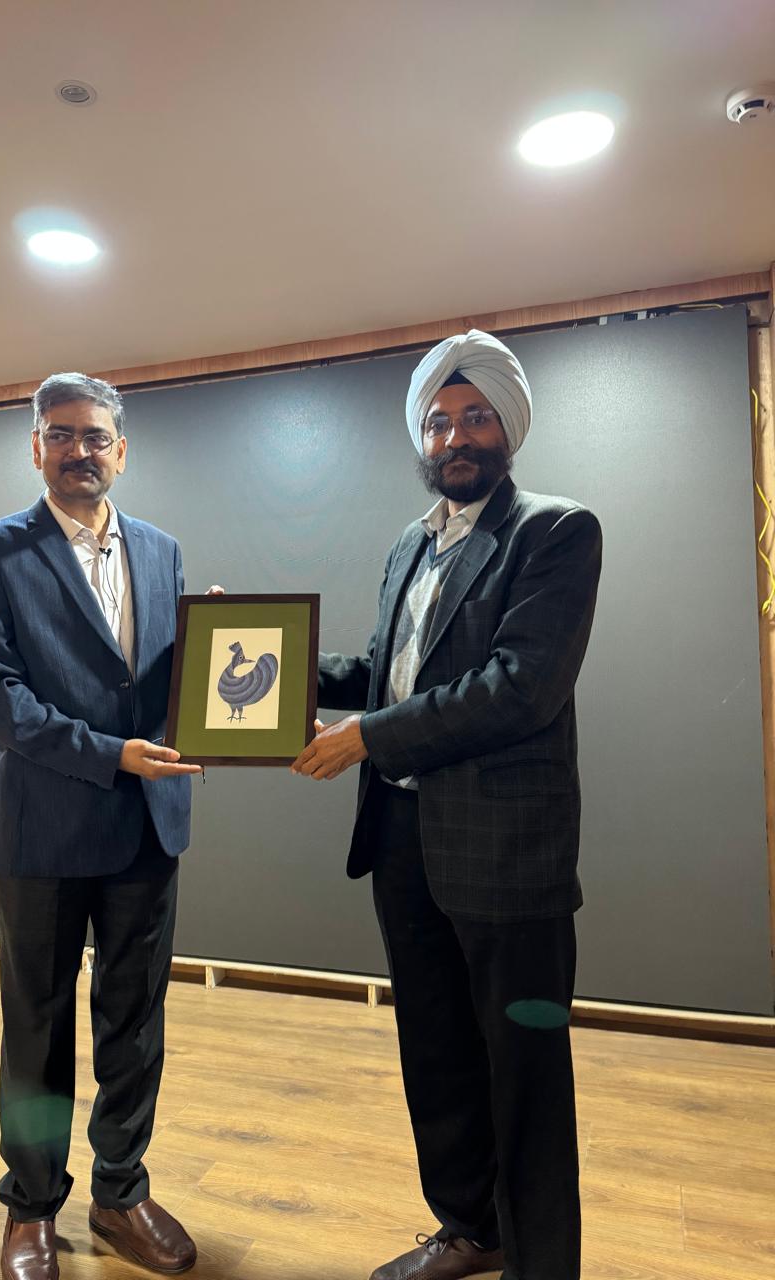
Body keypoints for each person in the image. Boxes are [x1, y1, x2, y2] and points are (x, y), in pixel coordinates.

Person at [292, 331, 602, 1280]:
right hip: (403, 841)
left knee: (525, 1069)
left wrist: (368, 738)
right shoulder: (411, 544)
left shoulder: (556, 531)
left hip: (507, 852)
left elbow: (518, 687)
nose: (455, 436)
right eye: (438, 421)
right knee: (434, 1050)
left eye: (474, 418)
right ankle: (470, 1227)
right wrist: (257, 653)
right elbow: (387, 673)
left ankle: (541, 1265)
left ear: (508, 427)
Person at [0, 373, 201, 1280]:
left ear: (120, 451)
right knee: (38, 1024)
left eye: (95, 436)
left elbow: (172, 679)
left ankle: (121, 1191)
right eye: (60, 434)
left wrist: (223, 653)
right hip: (41, 830)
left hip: (146, 827)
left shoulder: (163, 551)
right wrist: (112, 755)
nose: (78, 450)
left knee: (134, 1020)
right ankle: (30, 1207)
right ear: (36, 448)